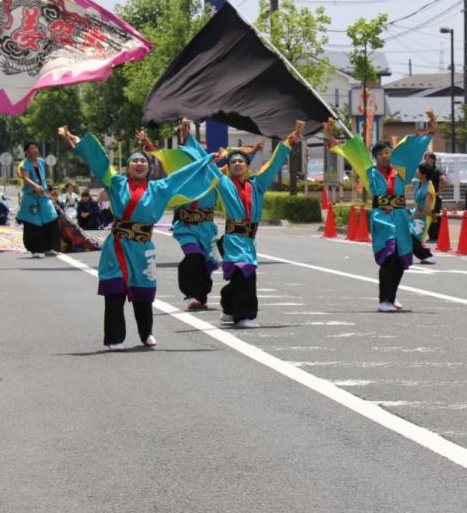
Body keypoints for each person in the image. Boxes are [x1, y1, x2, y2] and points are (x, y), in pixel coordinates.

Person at [59, 126, 217, 350]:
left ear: (148, 167)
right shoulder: (116, 183)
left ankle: (146, 333)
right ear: (128, 167)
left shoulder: (159, 188)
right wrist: (76, 141)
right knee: (114, 292)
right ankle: (115, 338)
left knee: (143, 293)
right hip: (117, 246)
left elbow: (182, 176)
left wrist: (207, 160)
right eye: (135, 161)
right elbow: (99, 161)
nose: (140, 164)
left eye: (143, 161)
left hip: (142, 248)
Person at [138, 123, 264, 312]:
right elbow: (162, 155)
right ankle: (192, 295)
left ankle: (202, 296)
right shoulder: (184, 176)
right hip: (185, 226)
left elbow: (238, 165)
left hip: (206, 228)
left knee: (206, 263)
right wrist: (148, 142)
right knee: (193, 256)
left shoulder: (216, 175)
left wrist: (254, 151)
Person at [327, 112, 437, 312]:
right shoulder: (370, 172)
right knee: (389, 256)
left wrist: (431, 129)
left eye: (388, 152)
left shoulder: (401, 171)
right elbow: (353, 153)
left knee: (402, 259)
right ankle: (383, 300)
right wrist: (330, 136)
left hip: (401, 217)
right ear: (375, 157)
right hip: (383, 219)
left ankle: (392, 297)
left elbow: (417, 150)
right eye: (381, 154)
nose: (386, 156)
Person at [206, 122, 303, 328]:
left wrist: (287, 144)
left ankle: (229, 305)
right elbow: (208, 170)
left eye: (241, 161)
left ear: (247, 166)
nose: (238, 164)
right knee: (245, 274)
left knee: (241, 276)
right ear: (229, 168)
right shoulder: (224, 184)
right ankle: (244, 316)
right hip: (233, 238)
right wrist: (217, 158)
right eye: (234, 162)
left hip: (249, 240)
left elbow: (274, 164)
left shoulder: (257, 185)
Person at [17, 141, 59, 257]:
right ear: (26, 152)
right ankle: (34, 249)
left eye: (36, 147)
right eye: (31, 148)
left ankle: (49, 247)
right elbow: (26, 178)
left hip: (43, 196)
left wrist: (48, 189)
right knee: (33, 223)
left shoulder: (41, 162)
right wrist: (35, 186)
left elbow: (43, 179)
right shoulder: (25, 164)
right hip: (31, 196)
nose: (35, 150)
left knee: (51, 218)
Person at [409, 163, 438, 264]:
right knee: (403, 232)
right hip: (416, 214)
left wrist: (414, 216)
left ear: (424, 175)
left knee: (411, 238)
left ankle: (427, 256)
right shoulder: (418, 182)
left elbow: (427, 211)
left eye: (418, 171)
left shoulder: (428, 190)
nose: (416, 172)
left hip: (423, 218)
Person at [420, 151, 448, 243]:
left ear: (434, 160)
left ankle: (435, 237)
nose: (426, 160)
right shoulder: (424, 171)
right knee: (427, 215)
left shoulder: (436, 170)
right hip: (425, 197)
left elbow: (444, 180)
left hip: (434, 198)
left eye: (429, 158)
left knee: (434, 216)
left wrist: (439, 192)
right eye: (425, 158)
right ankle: (431, 236)